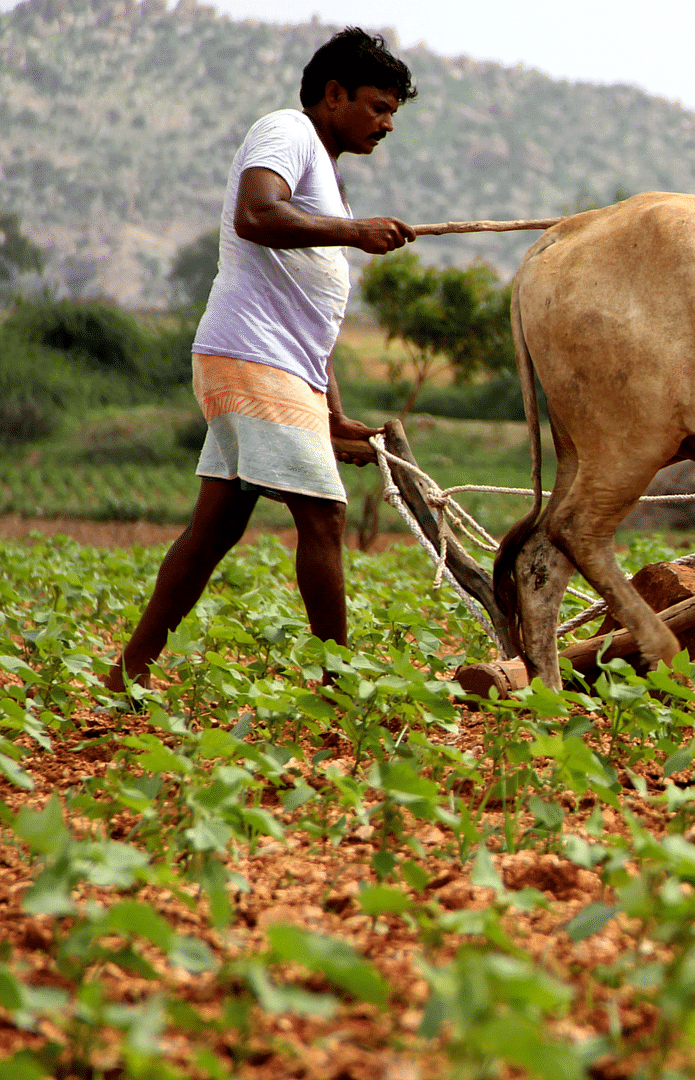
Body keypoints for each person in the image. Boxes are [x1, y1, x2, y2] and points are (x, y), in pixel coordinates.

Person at [107, 28, 418, 693]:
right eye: (377, 106)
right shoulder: (287, 132)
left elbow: (312, 316)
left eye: (393, 111)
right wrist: (356, 234)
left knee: (213, 531)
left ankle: (127, 673)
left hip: (272, 361)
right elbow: (256, 215)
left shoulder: (327, 176)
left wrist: (332, 416)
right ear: (332, 95)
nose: (387, 124)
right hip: (252, 355)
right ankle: (338, 687)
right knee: (325, 515)